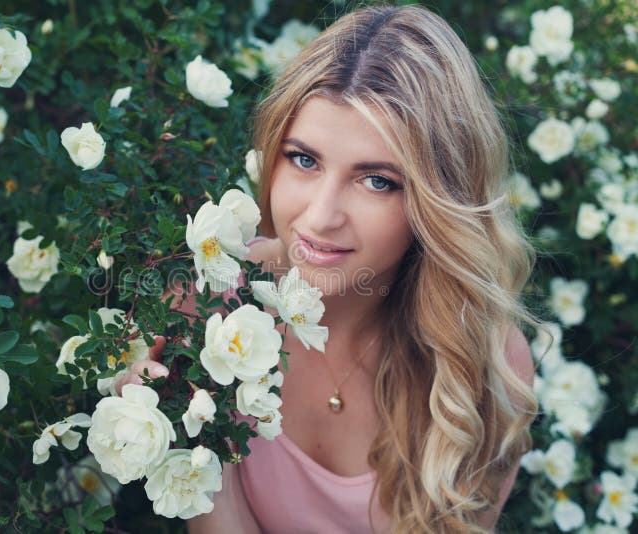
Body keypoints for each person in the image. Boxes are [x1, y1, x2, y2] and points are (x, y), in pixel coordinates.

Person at [118, 4, 543, 533]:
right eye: (304, 159)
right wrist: (194, 446)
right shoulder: (205, 302)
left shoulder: (484, 366)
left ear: (439, 203)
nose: (320, 218)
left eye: (378, 180)